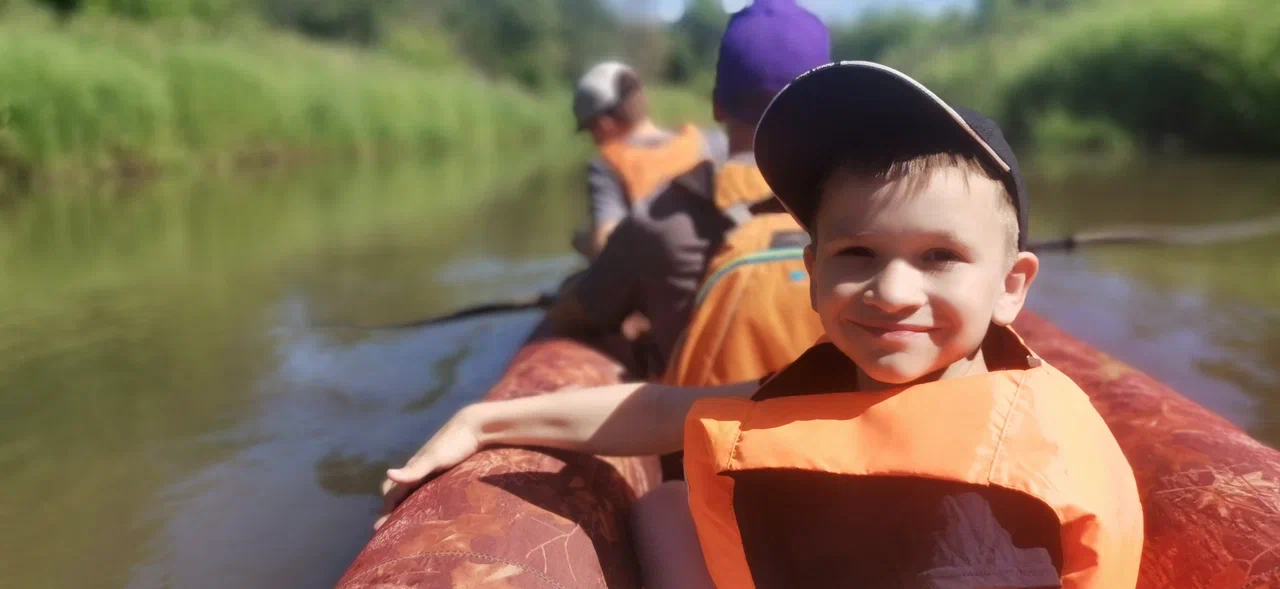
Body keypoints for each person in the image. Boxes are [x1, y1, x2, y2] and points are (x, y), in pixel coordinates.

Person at [377, 61, 1145, 588]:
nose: (892, 289)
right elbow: (656, 409)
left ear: (1012, 288)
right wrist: (485, 421)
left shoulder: (978, 514)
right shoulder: (843, 386)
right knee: (668, 502)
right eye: (857, 252)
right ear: (811, 270)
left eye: (940, 255)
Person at [546, 0, 831, 380]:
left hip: (705, 426)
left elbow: (575, 314)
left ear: (716, 106)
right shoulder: (862, 209)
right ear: (822, 106)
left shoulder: (660, 218)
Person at [570, 61, 727, 260]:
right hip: (720, 270)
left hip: (663, 278)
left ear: (604, 124)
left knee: (572, 284)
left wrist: (586, 243)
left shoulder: (605, 165)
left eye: (590, 130)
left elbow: (605, 246)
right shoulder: (713, 141)